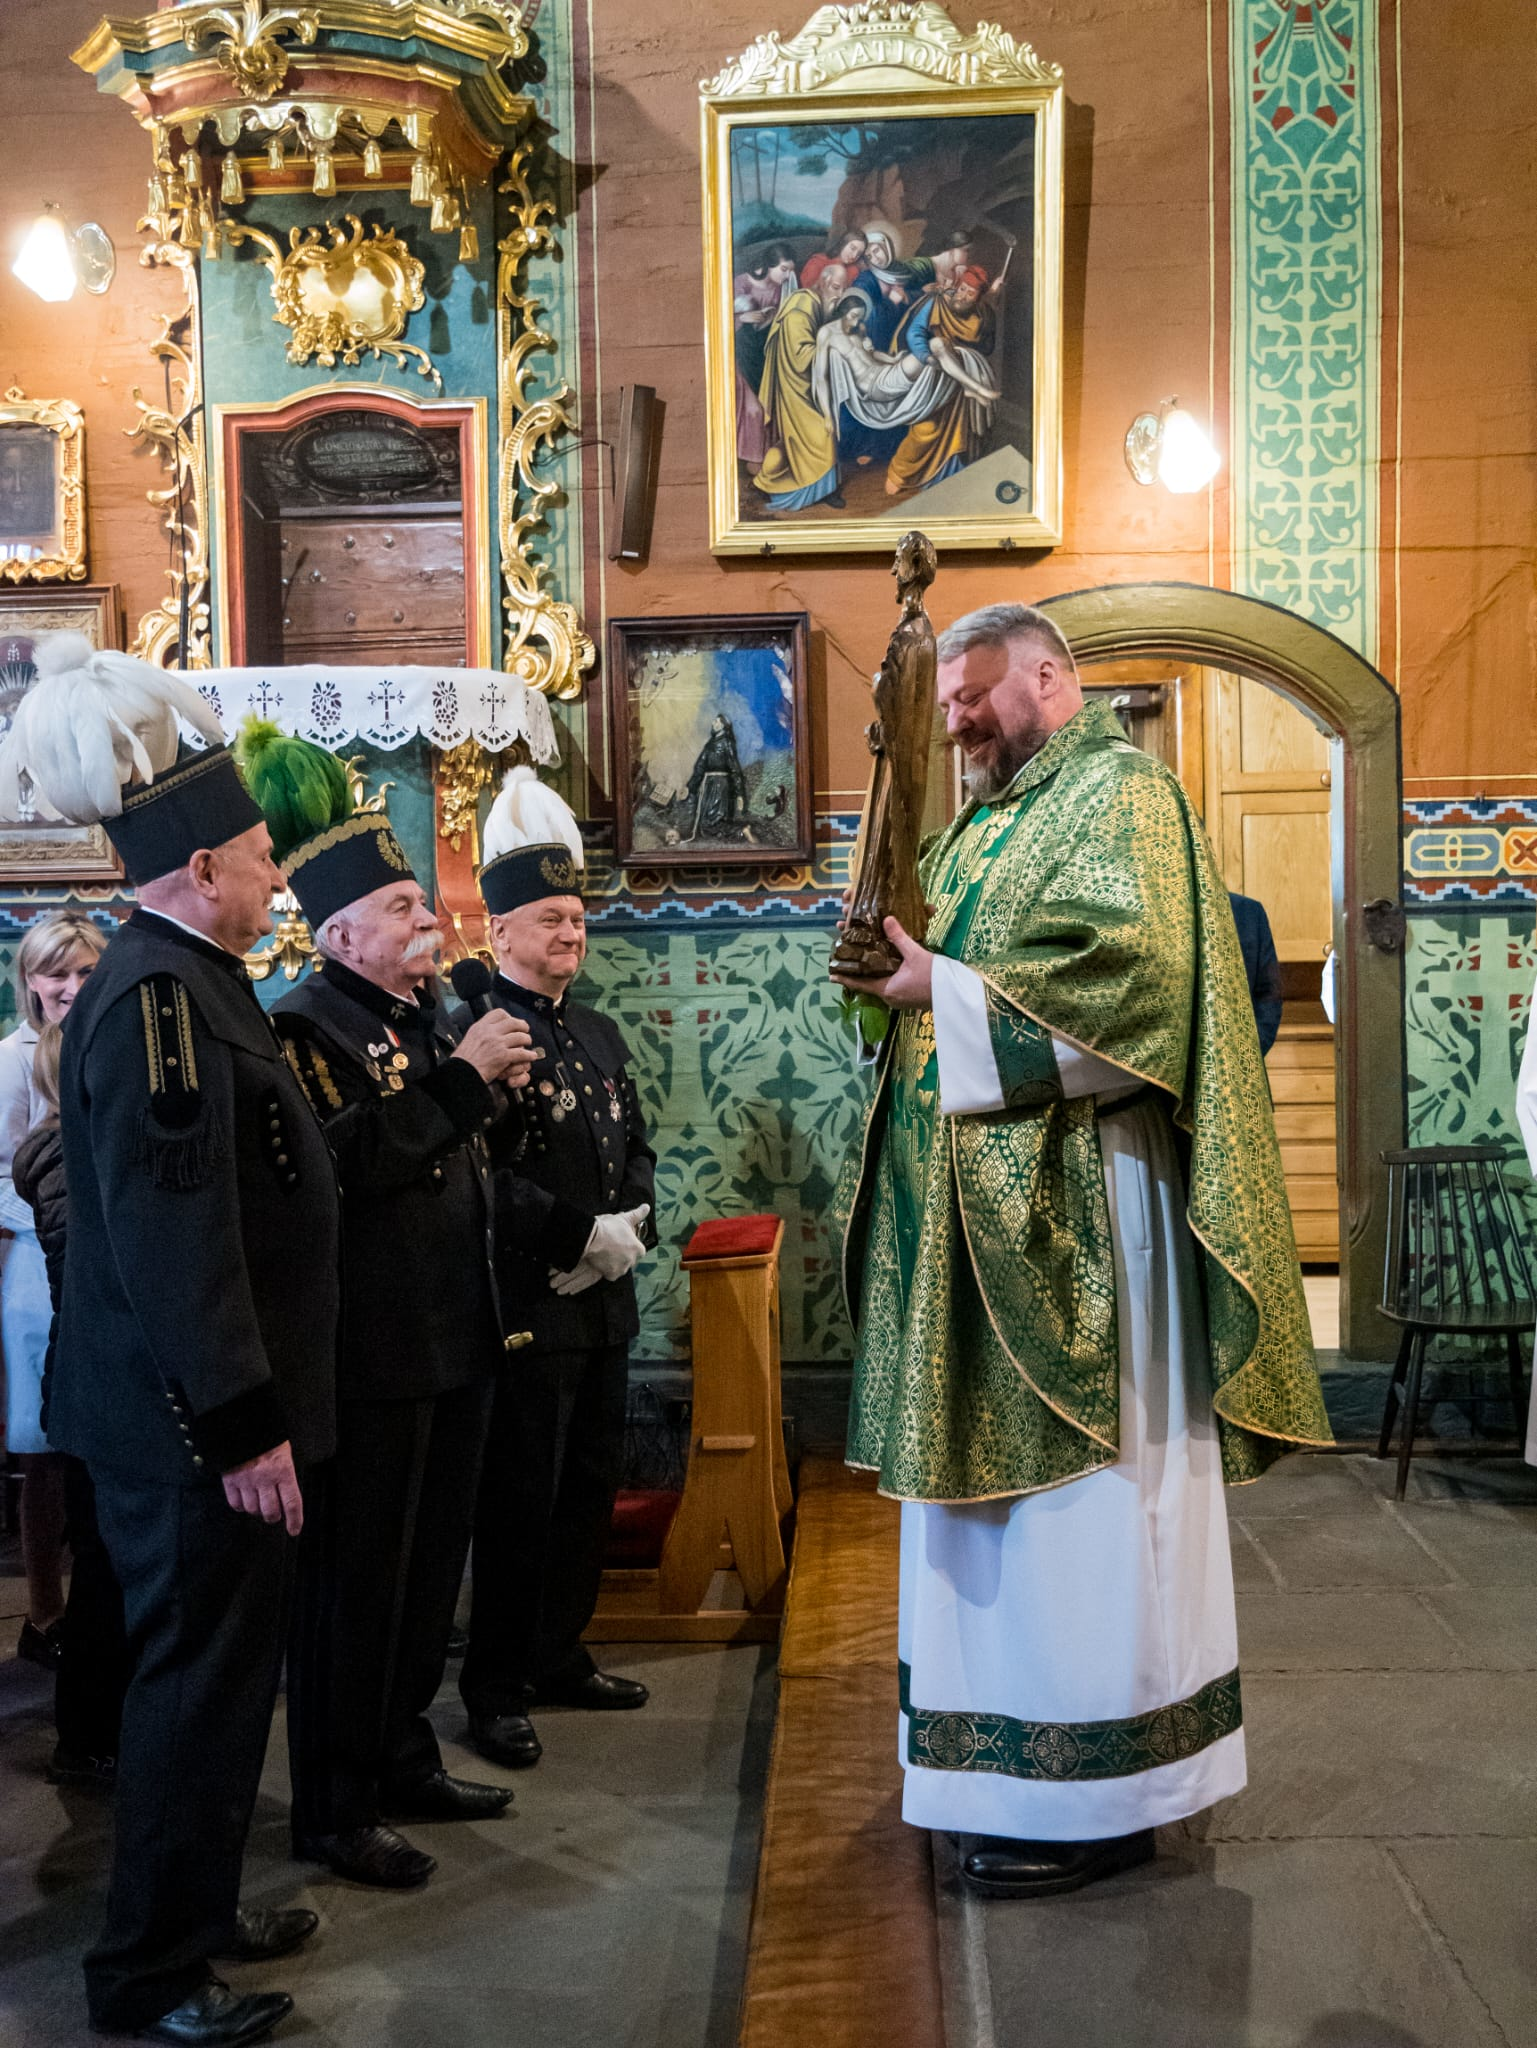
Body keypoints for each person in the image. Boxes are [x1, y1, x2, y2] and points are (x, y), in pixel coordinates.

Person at [832, 603, 1330, 1899]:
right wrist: (889, 971)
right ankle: (997, 1772)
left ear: (1051, 679)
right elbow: (934, 973)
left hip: (1082, 1230)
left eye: (974, 692)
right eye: (941, 700)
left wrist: (936, 991)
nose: (953, 719)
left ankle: (1103, 1798)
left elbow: (1133, 986)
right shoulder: (984, 821)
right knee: (986, 1535)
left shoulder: (1120, 796)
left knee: (1086, 1519)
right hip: (976, 1231)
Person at [0, 632, 340, 2046]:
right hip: (188, 1429)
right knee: (195, 1689)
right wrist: (248, 1423)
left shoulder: (183, 981)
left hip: (192, 1418)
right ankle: (149, 1975)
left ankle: (194, 1912)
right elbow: (175, 1240)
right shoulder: (154, 1000)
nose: (277, 879)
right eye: (265, 858)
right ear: (201, 872)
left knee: (217, 1681)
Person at [234, 719, 536, 1892]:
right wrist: (465, 1083)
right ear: (341, 927)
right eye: (409, 906)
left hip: (453, 1337)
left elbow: (462, 1148)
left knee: (425, 1578)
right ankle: (335, 1804)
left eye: (425, 904)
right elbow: (348, 1163)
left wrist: (485, 1085)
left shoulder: (420, 1020)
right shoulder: (303, 1028)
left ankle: (405, 1753)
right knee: (356, 1591)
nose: (434, 923)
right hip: (368, 1354)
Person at [461, 768, 656, 1771]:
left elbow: (640, 1148)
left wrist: (630, 1226)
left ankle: (557, 1651)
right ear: (500, 933)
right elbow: (481, 1171)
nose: (570, 933)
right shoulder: (481, 1032)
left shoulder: (598, 1029)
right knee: (518, 1498)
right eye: (549, 919)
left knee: (587, 1486)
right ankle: (493, 1685)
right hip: (525, 1303)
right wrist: (578, 1234)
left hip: (604, 1305)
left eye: (578, 917)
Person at [13, 1019, 130, 1790]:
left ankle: (91, 1728)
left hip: (88, 1374)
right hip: (97, 1377)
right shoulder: (65, 1155)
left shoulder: (60, 1148)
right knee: (103, 1562)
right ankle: (86, 1737)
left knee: (104, 1557)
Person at [0, 910, 105, 1671]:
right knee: (44, 1448)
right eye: (55, 973)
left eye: (83, 972)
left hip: (104, 1258)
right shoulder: (12, 1059)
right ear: (30, 981)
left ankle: (104, 1606)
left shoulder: (113, 1043)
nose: (70, 987)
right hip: (36, 1258)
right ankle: (44, 1609)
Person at [885, 268, 1000, 493]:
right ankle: (899, 473)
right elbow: (915, 332)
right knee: (926, 428)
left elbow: (988, 346)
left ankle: (949, 479)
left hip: (962, 378)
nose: (963, 295)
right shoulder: (938, 304)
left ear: (979, 296)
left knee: (962, 433)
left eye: (970, 293)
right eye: (962, 288)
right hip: (934, 374)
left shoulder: (983, 314)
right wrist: (926, 357)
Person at [754, 263, 851, 511]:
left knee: (819, 438)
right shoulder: (802, 304)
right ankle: (805, 491)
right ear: (824, 282)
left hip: (810, 386)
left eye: (843, 289)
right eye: (836, 288)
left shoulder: (818, 305)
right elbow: (799, 356)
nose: (839, 295)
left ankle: (826, 489)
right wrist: (832, 348)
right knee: (823, 435)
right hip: (795, 390)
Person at [1229, 890, 1284, 1056]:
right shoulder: (1158, 916)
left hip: (1241, 1059)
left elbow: (1270, 991)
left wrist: (1252, 1050)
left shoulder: (1249, 912)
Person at [682, 714, 749, 840]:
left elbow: (734, 767)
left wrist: (740, 793)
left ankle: (741, 831)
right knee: (705, 824)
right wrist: (690, 787)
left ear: (724, 726)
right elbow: (700, 767)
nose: (713, 723)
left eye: (717, 722)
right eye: (714, 721)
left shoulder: (727, 743)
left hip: (721, 786)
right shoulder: (711, 743)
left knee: (714, 821)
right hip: (709, 786)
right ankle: (739, 832)